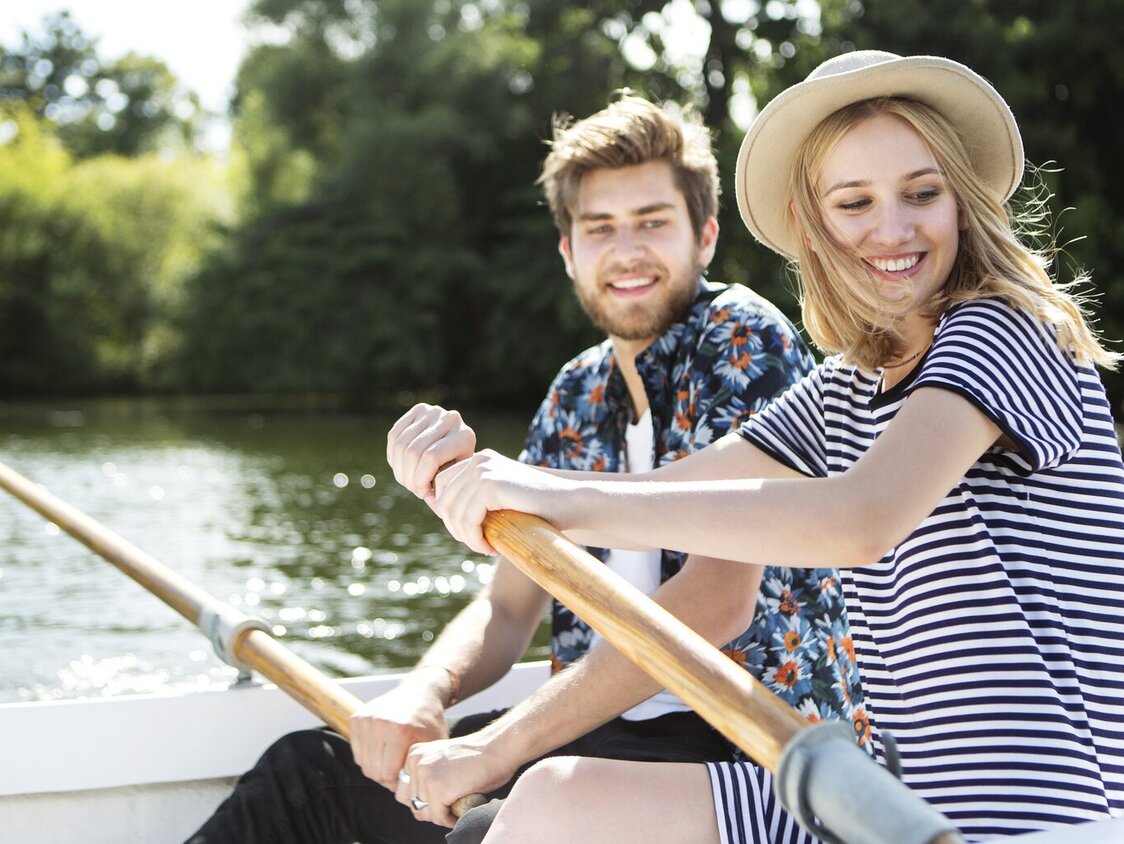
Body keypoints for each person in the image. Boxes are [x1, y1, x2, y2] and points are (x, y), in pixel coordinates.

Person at [412, 52, 1124, 843]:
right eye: (854, 203)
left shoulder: (1005, 326)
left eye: (922, 193)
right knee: (554, 799)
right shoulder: (853, 380)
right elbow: (679, 494)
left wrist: (549, 496)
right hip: (884, 795)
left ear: (961, 201)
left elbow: (862, 516)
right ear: (815, 223)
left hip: (1035, 817)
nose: (892, 229)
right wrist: (475, 479)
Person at [186, 94, 862, 844]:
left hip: (738, 751)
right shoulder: (576, 392)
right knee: (307, 776)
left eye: (652, 222)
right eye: (600, 228)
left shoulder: (744, 342)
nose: (627, 249)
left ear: (703, 238)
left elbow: (714, 604)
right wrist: (424, 694)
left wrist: (493, 749)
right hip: (598, 729)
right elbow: (509, 608)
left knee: (483, 828)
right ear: (569, 253)